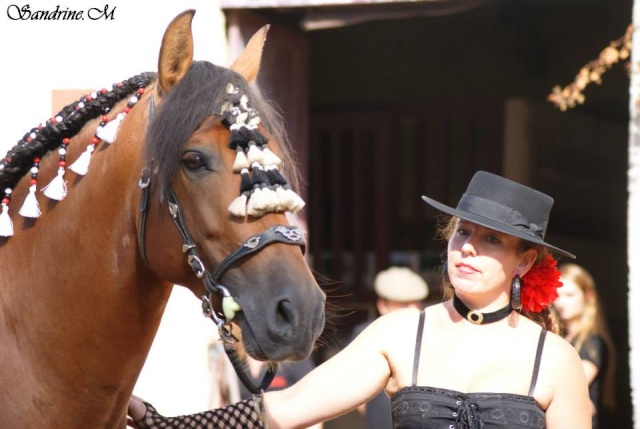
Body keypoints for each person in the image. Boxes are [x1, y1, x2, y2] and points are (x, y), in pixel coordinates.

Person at [128, 170, 591, 429]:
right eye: (463, 232)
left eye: (491, 240)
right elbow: (285, 409)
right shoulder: (400, 333)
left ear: (526, 262)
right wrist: (165, 425)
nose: (467, 247)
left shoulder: (554, 359)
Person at [346, 266, 429, 429]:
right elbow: (350, 384)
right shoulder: (365, 334)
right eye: (404, 304)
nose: (413, 309)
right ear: (382, 305)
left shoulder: (430, 333)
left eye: (416, 302)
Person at [554, 263, 615, 429]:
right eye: (557, 294)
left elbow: (568, 383)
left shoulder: (592, 342)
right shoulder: (561, 338)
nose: (561, 302)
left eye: (570, 295)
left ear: (587, 296)